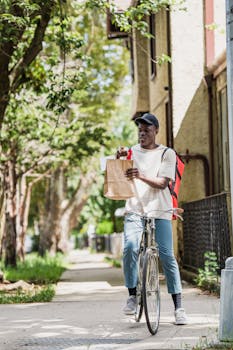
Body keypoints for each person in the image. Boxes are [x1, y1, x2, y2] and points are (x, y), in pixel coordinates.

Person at [117, 112, 188, 325]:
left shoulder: (167, 153)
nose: (142, 133)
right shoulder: (131, 152)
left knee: (167, 255)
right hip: (135, 209)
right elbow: (118, 175)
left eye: (147, 130)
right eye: (140, 130)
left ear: (155, 131)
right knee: (130, 248)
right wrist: (119, 158)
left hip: (161, 210)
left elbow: (163, 183)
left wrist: (140, 175)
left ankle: (179, 308)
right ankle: (132, 295)